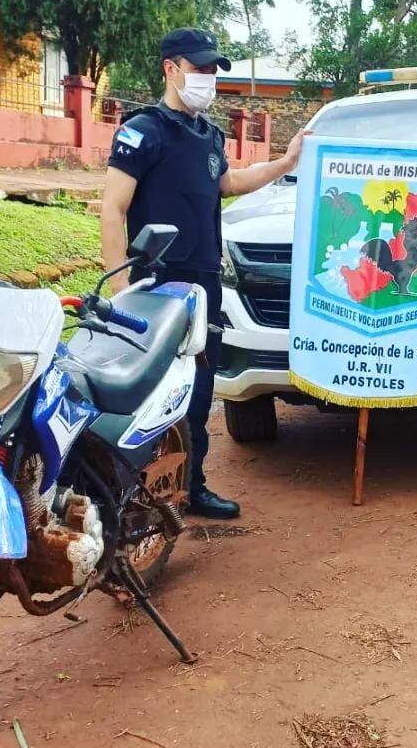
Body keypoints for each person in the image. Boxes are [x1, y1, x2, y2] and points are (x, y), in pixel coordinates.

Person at [101, 27, 308, 519]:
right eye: (199, 69)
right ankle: (132, 496)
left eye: (213, 70)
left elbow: (228, 182)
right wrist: (120, 288)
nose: (208, 79)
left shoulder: (208, 135)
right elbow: (112, 210)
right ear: (171, 69)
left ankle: (189, 488)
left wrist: (286, 162)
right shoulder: (142, 132)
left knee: (197, 388)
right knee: (148, 392)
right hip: (154, 286)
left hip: (203, 284)